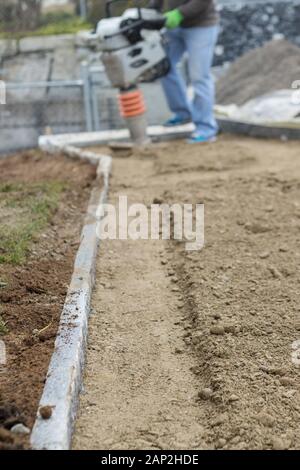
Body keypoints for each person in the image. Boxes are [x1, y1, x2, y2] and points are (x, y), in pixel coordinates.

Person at [150, 0, 219, 143]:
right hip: (175, 26)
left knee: (199, 76)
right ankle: (182, 112)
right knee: (163, 67)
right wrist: (151, 10)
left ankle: (206, 128)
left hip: (202, 26)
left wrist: (179, 13)